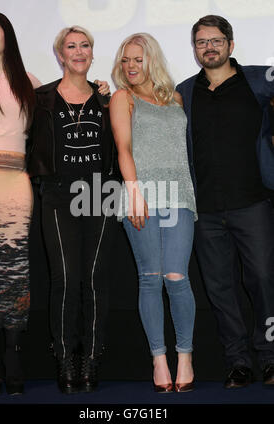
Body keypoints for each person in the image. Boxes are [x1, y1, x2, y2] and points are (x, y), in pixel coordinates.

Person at [176, 14, 274, 388]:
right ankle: (238, 362)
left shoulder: (258, 80)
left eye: (216, 40)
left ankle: (269, 357)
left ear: (230, 45)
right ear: (195, 49)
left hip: (253, 203)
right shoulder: (184, 91)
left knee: (264, 281)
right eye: (201, 42)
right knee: (220, 289)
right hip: (205, 211)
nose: (209, 47)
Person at [27, 25, 121, 394]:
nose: (79, 51)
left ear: (92, 54)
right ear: (60, 54)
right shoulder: (41, 98)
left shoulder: (106, 99)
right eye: (71, 46)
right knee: (65, 280)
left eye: (85, 45)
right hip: (57, 194)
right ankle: (66, 359)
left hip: (101, 192)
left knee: (96, 279)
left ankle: (92, 359)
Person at [110, 33, 197, 393]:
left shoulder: (174, 98)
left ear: (151, 60)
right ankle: (159, 359)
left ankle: (186, 356)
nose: (130, 66)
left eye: (138, 59)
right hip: (142, 195)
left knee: (177, 277)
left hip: (180, 195)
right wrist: (133, 193)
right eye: (125, 60)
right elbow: (123, 148)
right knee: (151, 277)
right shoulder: (122, 98)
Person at [0, 11, 41, 395]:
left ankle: (14, 352)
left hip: (16, 182)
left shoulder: (30, 83)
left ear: (7, 35)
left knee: (14, 267)